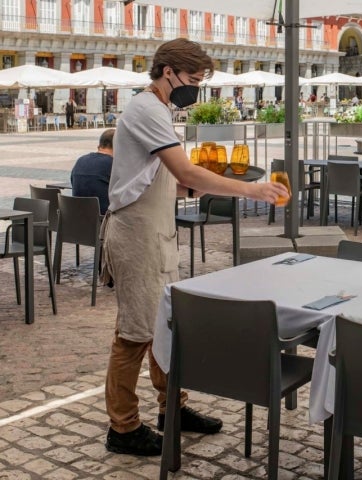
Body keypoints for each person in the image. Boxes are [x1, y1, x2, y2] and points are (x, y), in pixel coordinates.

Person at [101, 38, 287, 457]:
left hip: (155, 230)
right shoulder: (147, 108)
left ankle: (173, 408)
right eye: (193, 80)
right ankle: (123, 428)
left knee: (166, 324)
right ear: (169, 72)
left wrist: (195, 184)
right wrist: (250, 189)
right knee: (134, 334)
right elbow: (184, 169)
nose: (196, 88)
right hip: (136, 233)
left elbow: (169, 176)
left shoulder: (160, 109)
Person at [71, 128, 115, 214]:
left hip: (77, 220)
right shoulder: (114, 165)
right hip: (104, 221)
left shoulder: (80, 161)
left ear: (100, 145)